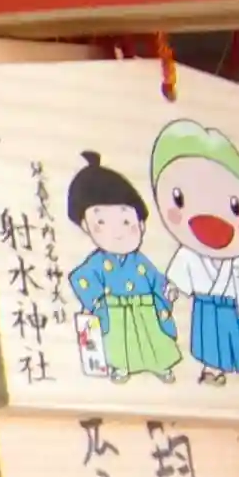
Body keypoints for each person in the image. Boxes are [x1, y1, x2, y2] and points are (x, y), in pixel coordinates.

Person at [66, 151, 179, 383]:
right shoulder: (97, 263)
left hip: (145, 309)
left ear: (141, 224)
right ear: (86, 226)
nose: (116, 231)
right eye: (101, 222)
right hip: (115, 312)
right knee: (120, 344)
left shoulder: (140, 262)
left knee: (152, 340)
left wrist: (167, 289)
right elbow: (81, 278)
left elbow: (155, 278)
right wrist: (98, 301)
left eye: (126, 221)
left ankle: (159, 365)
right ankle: (120, 367)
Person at [154, 120, 239, 385]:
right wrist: (173, 288)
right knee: (210, 341)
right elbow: (180, 274)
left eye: (235, 206)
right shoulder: (189, 255)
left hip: (233, 306)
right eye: (179, 198)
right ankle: (212, 370)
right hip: (207, 305)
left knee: (236, 340)